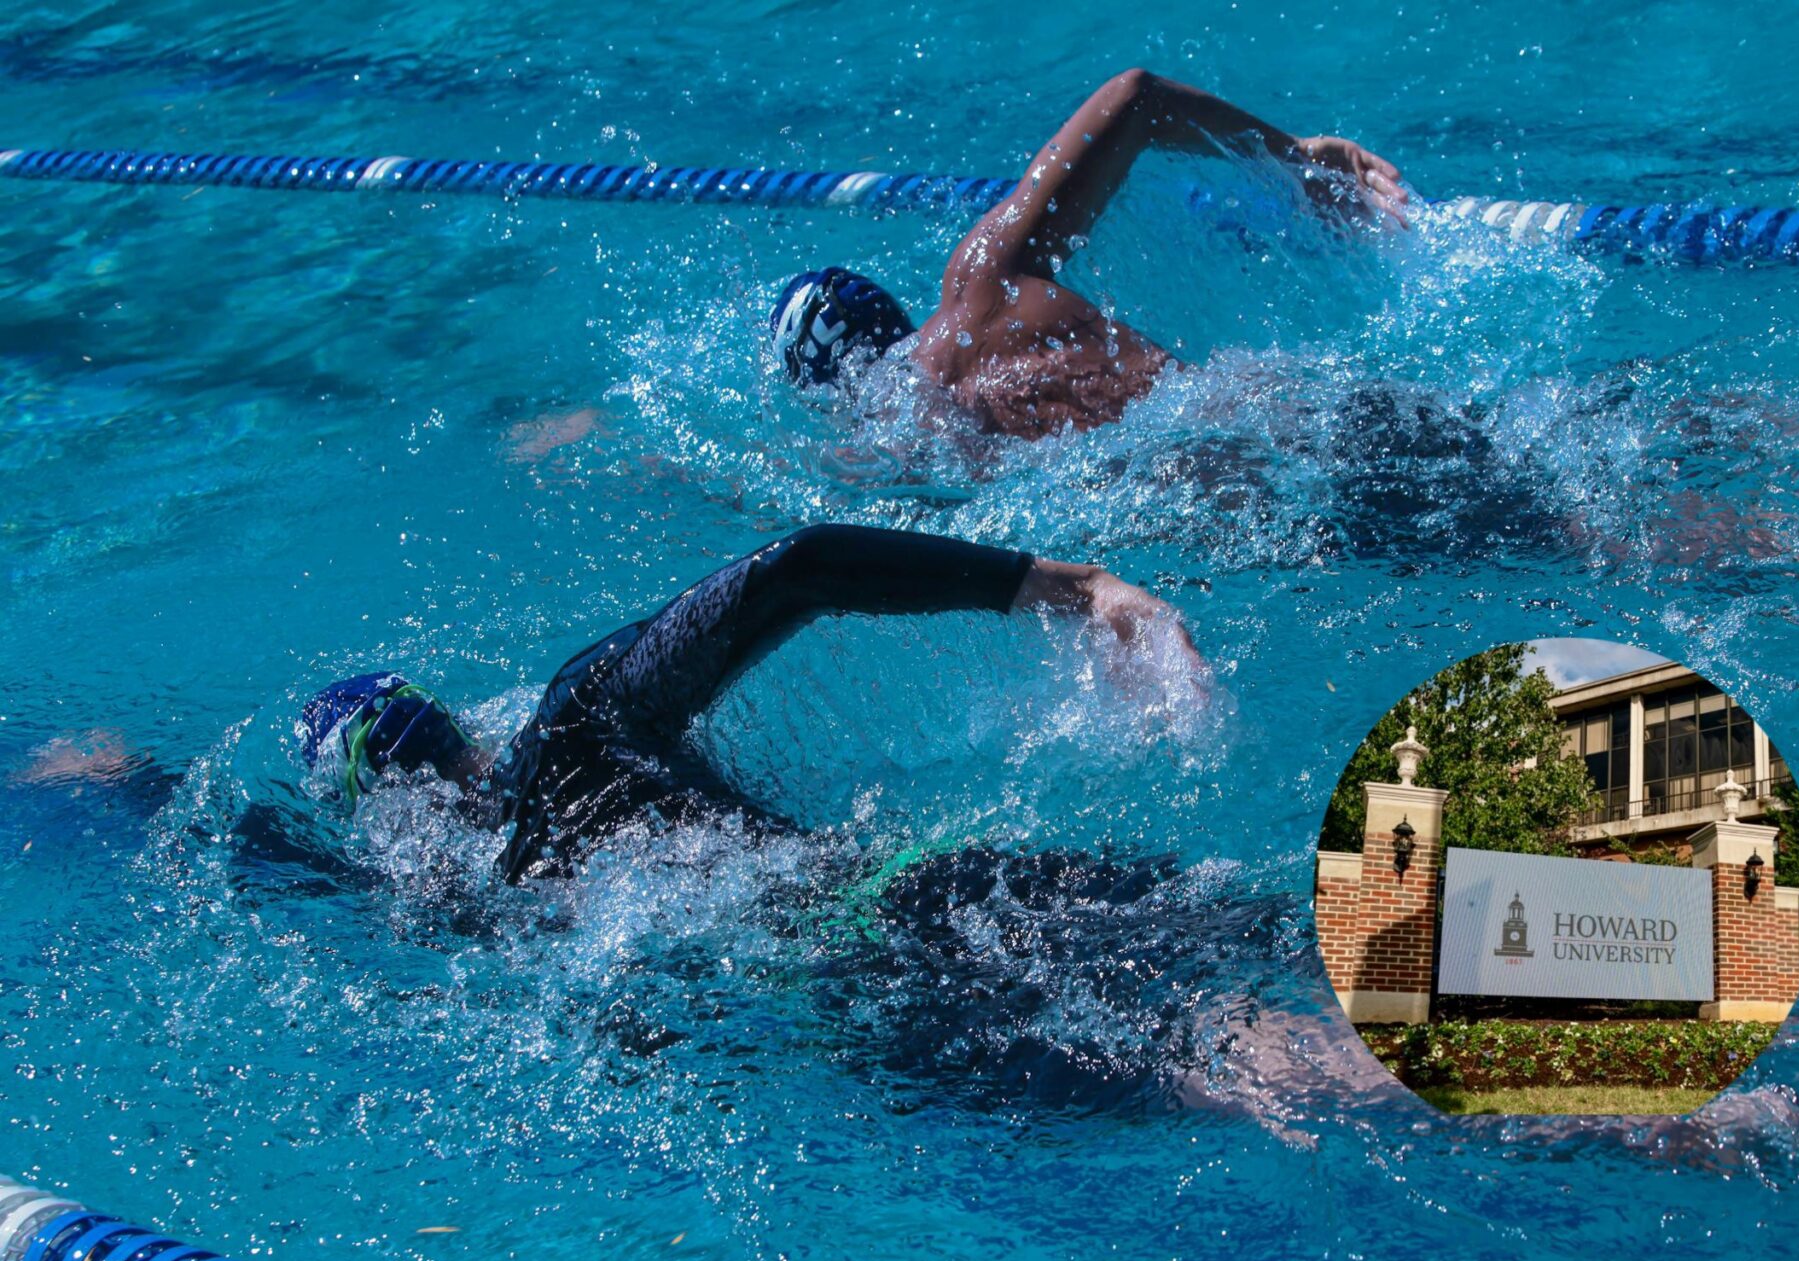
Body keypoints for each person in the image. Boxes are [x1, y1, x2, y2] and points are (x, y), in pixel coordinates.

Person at [297, 523, 1201, 883]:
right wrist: (1077, 590)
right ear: (450, 722)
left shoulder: (477, 912)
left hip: (860, 1022)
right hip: (910, 899)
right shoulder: (577, 725)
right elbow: (799, 568)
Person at [768, 68, 1407, 439]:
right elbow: (1135, 96)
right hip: (1316, 415)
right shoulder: (983, 281)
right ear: (892, 312)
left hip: (1266, 506)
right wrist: (1295, 157)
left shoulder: (890, 453)